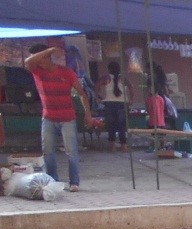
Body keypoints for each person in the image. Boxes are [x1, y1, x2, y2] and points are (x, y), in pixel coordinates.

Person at [25, 42, 91, 191]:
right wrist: (50, 50)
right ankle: (52, 180)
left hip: (67, 118)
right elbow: (28, 62)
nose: (36, 61)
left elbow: (82, 94)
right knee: (48, 151)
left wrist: (88, 114)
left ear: (47, 57)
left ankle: (74, 182)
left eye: (39, 57)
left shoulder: (66, 72)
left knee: (71, 151)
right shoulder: (37, 71)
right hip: (48, 117)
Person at [96, 60, 133, 152]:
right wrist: (131, 99)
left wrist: (97, 97)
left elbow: (96, 86)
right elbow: (131, 87)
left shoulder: (106, 78)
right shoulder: (123, 78)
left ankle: (112, 146)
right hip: (122, 103)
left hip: (109, 103)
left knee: (111, 125)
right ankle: (123, 146)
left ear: (109, 69)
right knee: (122, 125)